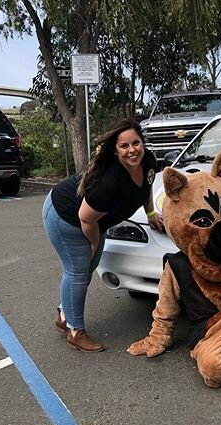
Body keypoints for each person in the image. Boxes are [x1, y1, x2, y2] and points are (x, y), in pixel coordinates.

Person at [42, 117, 164, 352]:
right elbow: (86, 217)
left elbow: (146, 186)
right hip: (65, 217)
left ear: (142, 142)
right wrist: (95, 241)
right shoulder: (109, 181)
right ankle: (76, 332)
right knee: (78, 270)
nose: (132, 150)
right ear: (116, 151)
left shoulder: (148, 160)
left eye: (136, 143)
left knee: (88, 267)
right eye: (124, 146)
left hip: (91, 220)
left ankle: (64, 315)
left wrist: (150, 213)